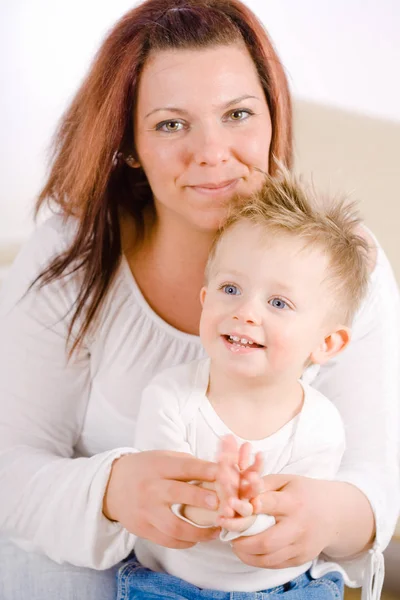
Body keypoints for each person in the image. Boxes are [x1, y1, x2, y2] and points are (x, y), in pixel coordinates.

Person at [0, 0, 398, 599]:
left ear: (272, 115)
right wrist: (111, 491)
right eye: (170, 124)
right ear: (127, 142)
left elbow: (378, 476)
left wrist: (327, 517)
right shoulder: (72, 249)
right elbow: (10, 465)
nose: (212, 152)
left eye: (238, 113)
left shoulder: (343, 263)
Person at [118, 172, 373, 600]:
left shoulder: (320, 425)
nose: (246, 312)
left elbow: (289, 531)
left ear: (327, 343)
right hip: (168, 587)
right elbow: (167, 505)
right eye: (231, 288)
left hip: (283, 588)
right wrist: (215, 502)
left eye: (278, 303)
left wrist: (249, 515)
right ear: (205, 301)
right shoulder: (170, 398)